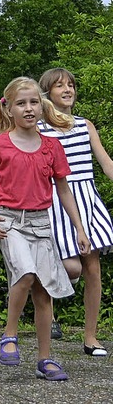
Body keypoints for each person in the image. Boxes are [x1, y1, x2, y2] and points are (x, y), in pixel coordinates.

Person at [0, 77, 90, 381]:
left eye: (34, 102)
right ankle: (9, 334)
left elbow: (64, 191)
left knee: (43, 293)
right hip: (8, 222)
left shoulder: (51, 147)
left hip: (41, 224)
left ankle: (45, 359)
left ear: (42, 106)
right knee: (24, 273)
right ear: (9, 108)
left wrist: (79, 228)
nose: (28, 108)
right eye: (21, 103)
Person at [38, 68, 113, 355]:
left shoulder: (85, 125)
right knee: (66, 265)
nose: (68, 90)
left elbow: (105, 163)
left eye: (71, 85)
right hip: (56, 199)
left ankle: (90, 337)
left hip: (86, 200)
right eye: (60, 86)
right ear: (48, 93)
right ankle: (49, 315)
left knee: (92, 268)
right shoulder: (40, 129)